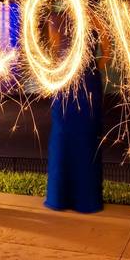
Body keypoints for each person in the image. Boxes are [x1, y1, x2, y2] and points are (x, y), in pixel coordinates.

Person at [44, 12, 109, 213]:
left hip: (87, 85)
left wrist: (89, 70)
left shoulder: (96, 18)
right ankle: (60, 196)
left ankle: (85, 198)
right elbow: (54, 51)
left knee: (87, 138)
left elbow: (106, 50)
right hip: (65, 84)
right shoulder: (54, 18)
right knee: (62, 136)